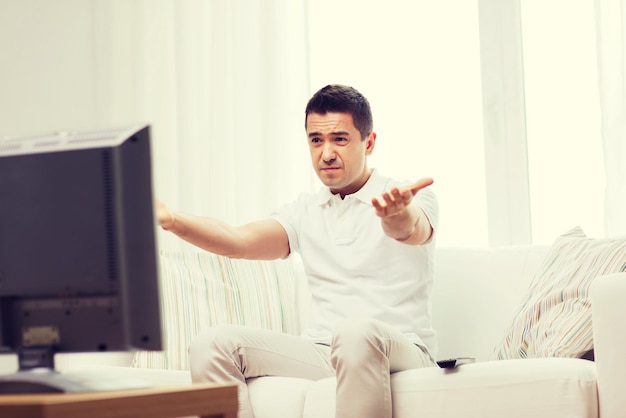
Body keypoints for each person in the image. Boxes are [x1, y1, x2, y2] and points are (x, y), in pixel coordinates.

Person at [157, 84, 439, 418]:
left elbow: (410, 229)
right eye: (316, 140)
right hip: (325, 352)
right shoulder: (304, 211)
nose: (326, 153)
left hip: (401, 350)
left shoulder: (407, 197)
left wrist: (396, 215)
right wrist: (172, 221)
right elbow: (238, 241)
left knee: (356, 332)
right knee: (213, 344)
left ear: (370, 142)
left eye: (340, 139)